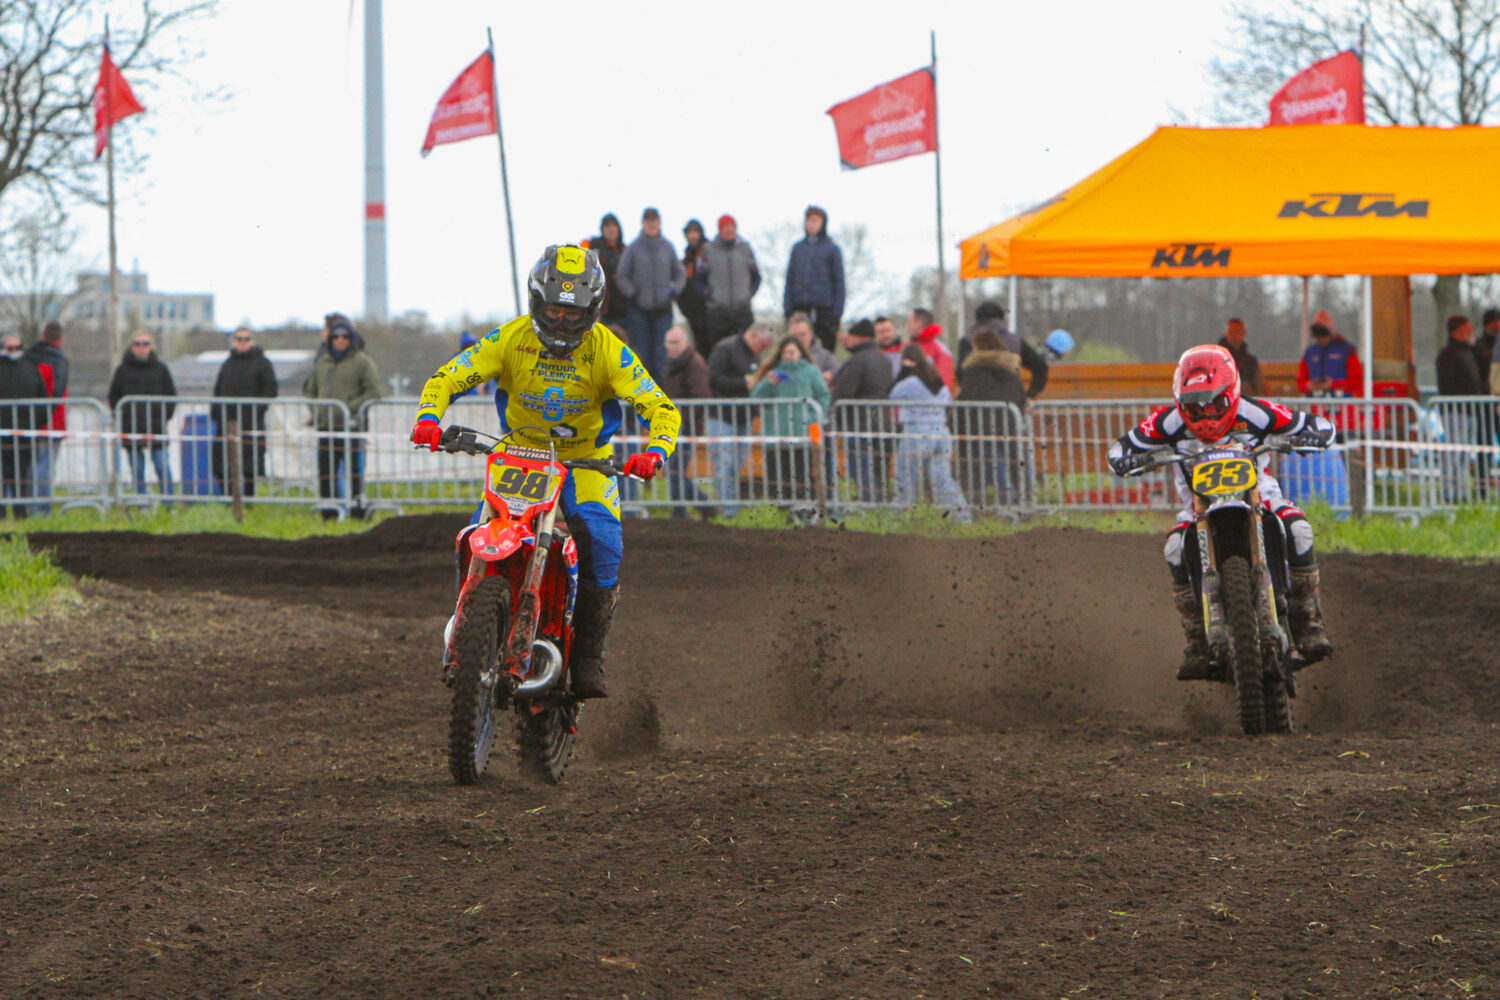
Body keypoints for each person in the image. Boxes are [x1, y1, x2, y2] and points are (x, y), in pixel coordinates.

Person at [411, 244, 680, 700]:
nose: (561, 322)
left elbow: (660, 407)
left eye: (573, 314)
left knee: (603, 541)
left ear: (592, 311)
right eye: (554, 310)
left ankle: (588, 654)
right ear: (536, 301)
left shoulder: (608, 351)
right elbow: (448, 377)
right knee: (480, 535)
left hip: (584, 460)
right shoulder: (510, 339)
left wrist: (655, 451)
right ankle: (472, 623)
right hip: (519, 454)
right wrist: (428, 418)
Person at [1107, 345, 1336, 680]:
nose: (1205, 416)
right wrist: (1127, 460)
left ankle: (1306, 619)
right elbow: (1121, 447)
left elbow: (1315, 424)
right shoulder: (1168, 422)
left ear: (1232, 393)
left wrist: (1312, 436)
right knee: (1174, 549)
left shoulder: (1255, 412)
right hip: (1198, 506)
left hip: (1259, 496)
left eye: (1214, 404)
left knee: (1299, 530)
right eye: (1194, 408)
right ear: (1180, 403)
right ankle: (1197, 639)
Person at [305, 316, 383, 519]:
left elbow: (374, 392)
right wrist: (316, 409)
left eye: (345, 336)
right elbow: (310, 389)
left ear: (351, 338)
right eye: (336, 336)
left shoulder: (362, 361)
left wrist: (349, 408)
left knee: (354, 472)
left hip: (352, 428)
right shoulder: (322, 361)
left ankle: (358, 512)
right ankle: (329, 513)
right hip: (326, 427)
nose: (340, 340)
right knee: (326, 471)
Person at [889, 342, 969, 520]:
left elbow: (892, 395)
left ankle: (900, 517)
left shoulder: (910, 383)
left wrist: (902, 372)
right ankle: (961, 517)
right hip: (941, 432)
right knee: (943, 479)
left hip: (917, 431)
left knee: (907, 477)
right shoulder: (938, 382)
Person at [750, 334, 830, 504]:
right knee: (777, 475)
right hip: (775, 432)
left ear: (800, 352)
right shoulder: (772, 372)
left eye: (792, 351)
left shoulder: (810, 371)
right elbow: (756, 398)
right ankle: (781, 507)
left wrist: (813, 416)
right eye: (785, 352)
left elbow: (823, 395)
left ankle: (803, 507)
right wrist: (768, 383)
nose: (788, 355)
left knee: (801, 474)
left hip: (801, 433)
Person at [705, 321, 774, 516]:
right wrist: (742, 382)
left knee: (737, 464)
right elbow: (714, 379)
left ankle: (732, 505)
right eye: (762, 345)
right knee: (724, 463)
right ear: (752, 335)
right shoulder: (725, 349)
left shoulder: (755, 356)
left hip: (744, 418)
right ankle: (730, 510)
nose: (763, 350)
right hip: (722, 417)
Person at [956, 327, 1029, 505]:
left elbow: (966, 400)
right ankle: (1023, 502)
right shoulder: (1011, 369)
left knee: (992, 469)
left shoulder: (973, 371)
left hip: (982, 429)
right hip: (1010, 426)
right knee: (1014, 467)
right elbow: (1020, 397)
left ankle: (1004, 503)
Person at [615, 207, 686, 380]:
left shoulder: (667, 247)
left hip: (663, 311)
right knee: (642, 355)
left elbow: (680, 273)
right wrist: (632, 293)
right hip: (639, 311)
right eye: (648, 221)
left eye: (654, 220)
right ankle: (641, 391)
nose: (652, 224)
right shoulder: (634, 248)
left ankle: (661, 392)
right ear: (643, 223)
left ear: (659, 223)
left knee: (661, 356)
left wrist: (673, 291)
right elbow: (621, 275)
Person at [211, 327, 279, 498]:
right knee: (222, 464)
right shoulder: (228, 363)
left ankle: (249, 500)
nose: (243, 342)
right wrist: (216, 412)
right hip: (227, 422)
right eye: (239, 339)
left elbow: (270, 389)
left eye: (246, 339)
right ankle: (229, 499)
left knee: (250, 465)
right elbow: (218, 390)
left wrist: (257, 410)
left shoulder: (262, 363)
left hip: (251, 422)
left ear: (251, 341)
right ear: (233, 341)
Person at [831, 319, 894, 503]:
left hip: (858, 424)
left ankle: (866, 502)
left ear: (859, 338)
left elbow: (844, 393)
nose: (848, 341)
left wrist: (833, 417)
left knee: (860, 468)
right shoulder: (884, 360)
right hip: (882, 422)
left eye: (851, 336)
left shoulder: (857, 361)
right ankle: (879, 502)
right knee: (879, 468)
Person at [108, 332, 177, 500]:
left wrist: (164, 417)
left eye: (145, 344)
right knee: (137, 469)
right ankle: (140, 502)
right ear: (132, 347)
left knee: (162, 466)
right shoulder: (123, 370)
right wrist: (122, 417)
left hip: (156, 428)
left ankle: (168, 503)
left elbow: (171, 396)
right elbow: (113, 397)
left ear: (151, 346)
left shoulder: (161, 369)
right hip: (132, 428)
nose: (141, 347)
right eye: (137, 344)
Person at [660, 326, 712, 518]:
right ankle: (703, 505)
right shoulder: (670, 364)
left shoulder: (695, 364)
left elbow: (701, 396)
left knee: (675, 470)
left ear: (686, 343)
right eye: (669, 342)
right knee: (673, 470)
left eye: (676, 342)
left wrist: (683, 419)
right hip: (673, 426)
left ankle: (683, 510)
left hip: (687, 427)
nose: (672, 346)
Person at [783, 205, 845, 351]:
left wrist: (836, 313)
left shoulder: (832, 249)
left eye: (814, 221)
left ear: (822, 223)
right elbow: (790, 280)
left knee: (824, 349)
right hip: (800, 308)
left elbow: (839, 282)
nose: (810, 224)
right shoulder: (798, 248)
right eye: (808, 221)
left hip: (824, 310)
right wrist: (788, 309)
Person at [957, 302, 1049, 400]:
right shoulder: (1015, 341)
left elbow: (960, 372)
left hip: (976, 402)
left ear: (977, 319)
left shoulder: (967, 341)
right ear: (1002, 318)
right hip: (1010, 401)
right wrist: (1030, 395)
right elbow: (1040, 366)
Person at [1436, 314, 1483, 503]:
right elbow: (1446, 384)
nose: (1472, 332)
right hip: (1455, 411)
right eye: (1468, 329)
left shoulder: (1467, 353)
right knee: (1454, 453)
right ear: (1459, 331)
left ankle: (1461, 492)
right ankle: (1448, 493)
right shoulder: (1448, 354)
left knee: (1463, 453)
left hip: (1470, 411)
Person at [0, 332, 47, 519]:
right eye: (9, 348)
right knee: (3, 471)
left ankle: (21, 510)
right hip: (2, 431)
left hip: (25, 431)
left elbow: (42, 398)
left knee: (22, 471)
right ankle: (2, 512)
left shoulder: (30, 367)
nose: (13, 351)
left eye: (17, 348)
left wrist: (36, 423)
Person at [23, 321, 68, 514]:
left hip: (29, 419)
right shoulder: (59, 359)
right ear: (60, 339)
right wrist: (45, 415)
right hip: (52, 421)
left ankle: (29, 505)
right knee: (46, 466)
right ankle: (41, 509)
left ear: (43, 336)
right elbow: (57, 391)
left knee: (31, 465)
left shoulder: (28, 357)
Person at [699, 214, 760, 346]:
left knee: (746, 349)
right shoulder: (708, 250)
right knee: (719, 350)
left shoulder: (745, 249)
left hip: (742, 311)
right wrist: (711, 296)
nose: (729, 230)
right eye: (725, 227)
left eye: (731, 227)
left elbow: (756, 277)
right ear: (720, 230)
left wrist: (747, 294)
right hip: (718, 312)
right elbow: (699, 279)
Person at [1297, 310, 1362, 397]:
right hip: (1315, 401)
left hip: (1341, 402)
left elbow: (1357, 382)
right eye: (1317, 334)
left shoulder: (1347, 351)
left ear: (1331, 333)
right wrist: (1309, 385)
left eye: (1323, 333)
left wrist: (1334, 385)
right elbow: (1301, 379)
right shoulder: (1309, 353)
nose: (1321, 338)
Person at [583, 213, 628, 329]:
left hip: (623, 307)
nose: (610, 229)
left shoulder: (626, 251)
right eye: (607, 226)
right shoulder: (593, 246)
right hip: (599, 303)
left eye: (613, 225)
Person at [678, 219, 712, 355]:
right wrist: (685, 309)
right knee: (700, 350)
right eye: (689, 232)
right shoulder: (686, 261)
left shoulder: (710, 255)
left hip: (712, 312)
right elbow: (681, 287)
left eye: (695, 232)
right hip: (694, 314)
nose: (692, 236)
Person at [906, 307, 955, 391]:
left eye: (909, 322)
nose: (907, 326)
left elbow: (944, 384)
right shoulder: (907, 346)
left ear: (918, 324)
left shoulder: (939, 350)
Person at [1219, 317, 1266, 396]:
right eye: (1231, 332)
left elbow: (1260, 388)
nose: (1234, 335)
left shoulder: (1251, 362)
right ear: (1225, 333)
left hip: (1247, 399)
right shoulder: (1218, 358)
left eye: (1237, 331)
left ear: (1244, 333)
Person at [788, 311, 836, 385]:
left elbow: (838, 372)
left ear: (811, 334)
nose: (798, 338)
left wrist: (829, 375)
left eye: (803, 334)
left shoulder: (826, 356)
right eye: (795, 335)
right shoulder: (779, 356)